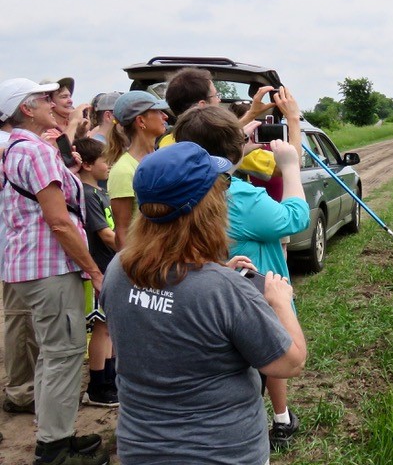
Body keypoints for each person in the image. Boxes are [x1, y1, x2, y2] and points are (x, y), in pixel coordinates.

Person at [99, 141, 307, 464]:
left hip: (141, 449)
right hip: (225, 453)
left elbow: (170, 306)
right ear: (206, 209)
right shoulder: (224, 291)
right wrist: (279, 302)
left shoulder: (118, 270)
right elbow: (289, 362)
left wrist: (214, 274)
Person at [173, 104, 309, 449]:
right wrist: (290, 167)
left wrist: (238, 139)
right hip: (254, 290)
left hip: (203, 286)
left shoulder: (179, 188)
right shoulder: (241, 197)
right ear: (234, 150)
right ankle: (278, 419)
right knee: (265, 356)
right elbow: (294, 218)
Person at [1, 78, 109, 464]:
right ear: (26, 109)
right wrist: (94, 270)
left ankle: (56, 435)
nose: (53, 102)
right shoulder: (37, 152)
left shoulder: (15, 149)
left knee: (52, 354)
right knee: (63, 354)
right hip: (50, 267)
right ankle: (54, 450)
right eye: (44, 97)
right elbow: (59, 222)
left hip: (26, 266)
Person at [0, 80, 38, 416]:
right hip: (15, 248)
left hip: (17, 248)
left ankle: (27, 386)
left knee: (24, 321)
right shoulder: (11, 144)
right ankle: (22, 391)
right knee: (20, 320)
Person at [74, 137, 119, 407]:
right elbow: (104, 233)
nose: (110, 165)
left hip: (110, 266)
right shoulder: (88, 194)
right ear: (88, 164)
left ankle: (111, 377)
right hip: (100, 267)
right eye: (105, 161)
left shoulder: (100, 192)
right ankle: (98, 384)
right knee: (102, 327)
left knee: (109, 327)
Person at [105, 91, 168, 250]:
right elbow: (123, 232)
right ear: (141, 121)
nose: (165, 116)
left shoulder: (163, 158)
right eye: (158, 112)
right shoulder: (123, 170)